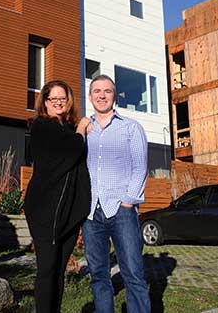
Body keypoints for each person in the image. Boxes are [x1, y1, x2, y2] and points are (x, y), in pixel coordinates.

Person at [82, 74, 151, 313]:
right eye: (97, 91)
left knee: (133, 273)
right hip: (91, 213)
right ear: (90, 96)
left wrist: (129, 202)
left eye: (107, 91)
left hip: (122, 211)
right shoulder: (84, 129)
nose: (102, 95)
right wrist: (80, 128)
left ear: (114, 95)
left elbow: (140, 166)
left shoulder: (131, 127)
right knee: (99, 276)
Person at [23, 79, 91, 313]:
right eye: (54, 99)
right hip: (46, 210)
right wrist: (82, 129)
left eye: (63, 98)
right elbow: (72, 149)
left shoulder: (68, 130)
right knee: (47, 270)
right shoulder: (42, 127)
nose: (59, 102)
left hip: (70, 212)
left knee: (59, 271)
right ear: (45, 102)